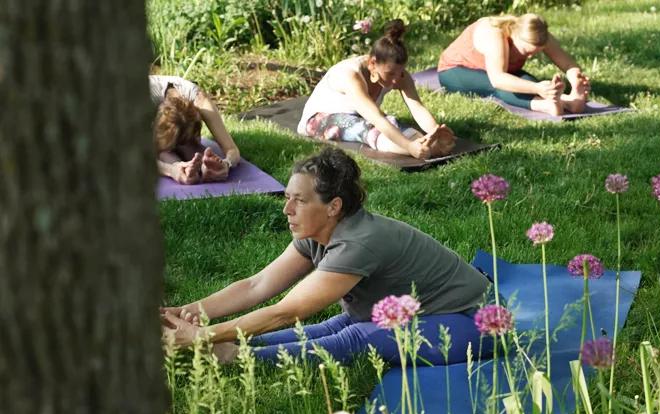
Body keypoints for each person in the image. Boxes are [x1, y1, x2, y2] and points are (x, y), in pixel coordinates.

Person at [161, 147, 498, 365]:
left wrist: (205, 334)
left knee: (353, 336)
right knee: (334, 326)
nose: (286, 209)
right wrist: (183, 312)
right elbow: (256, 285)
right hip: (390, 313)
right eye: (288, 197)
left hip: (474, 321)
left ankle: (236, 357)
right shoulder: (316, 231)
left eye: (300, 201)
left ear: (333, 206)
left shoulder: (358, 243)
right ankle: (232, 350)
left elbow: (286, 312)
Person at [297, 20, 455, 160]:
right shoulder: (350, 75)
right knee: (369, 130)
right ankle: (419, 149)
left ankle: (427, 147)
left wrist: (436, 133)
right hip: (321, 120)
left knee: (399, 126)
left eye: (400, 73)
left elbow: (417, 107)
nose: (395, 79)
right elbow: (376, 119)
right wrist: (409, 147)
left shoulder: (398, 75)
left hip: (361, 117)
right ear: (372, 63)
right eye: (390, 73)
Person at [437, 13, 590, 116]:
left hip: (499, 71)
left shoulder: (538, 34)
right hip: (455, 71)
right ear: (515, 35)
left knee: (527, 80)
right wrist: (537, 88)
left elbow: (568, 64)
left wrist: (576, 78)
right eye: (526, 51)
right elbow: (498, 79)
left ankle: (569, 103)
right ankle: (548, 105)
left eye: (535, 53)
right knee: (501, 87)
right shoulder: (494, 34)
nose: (529, 56)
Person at [150, 75, 241, 184]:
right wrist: (171, 170)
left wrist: (227, 164)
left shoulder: (201, 101)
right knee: (162, 153)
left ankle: (205, 167)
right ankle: (181, 169)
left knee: (191, 151)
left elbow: (232, 149)